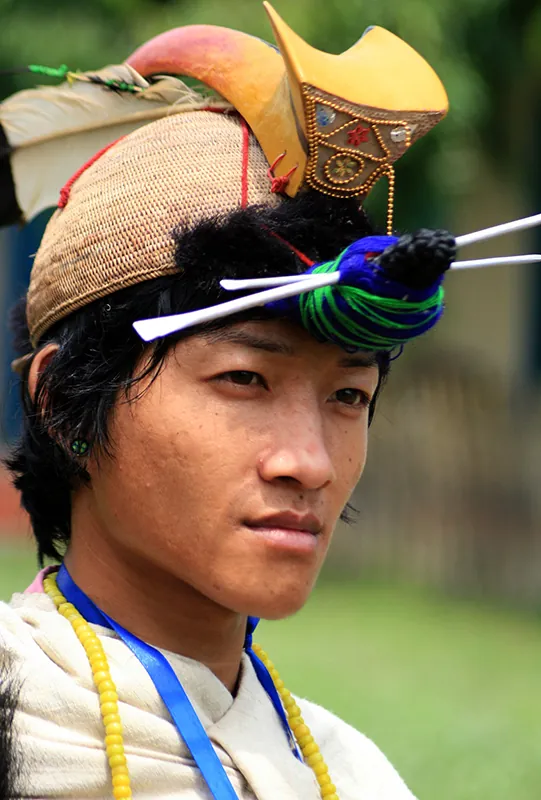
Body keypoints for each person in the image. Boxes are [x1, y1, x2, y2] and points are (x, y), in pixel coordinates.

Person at [0, 5, 454, 798]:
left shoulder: (354, 775)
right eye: (244, 379)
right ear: (64, 402)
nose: (308, 463)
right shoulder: (24, 726)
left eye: (349, 394)